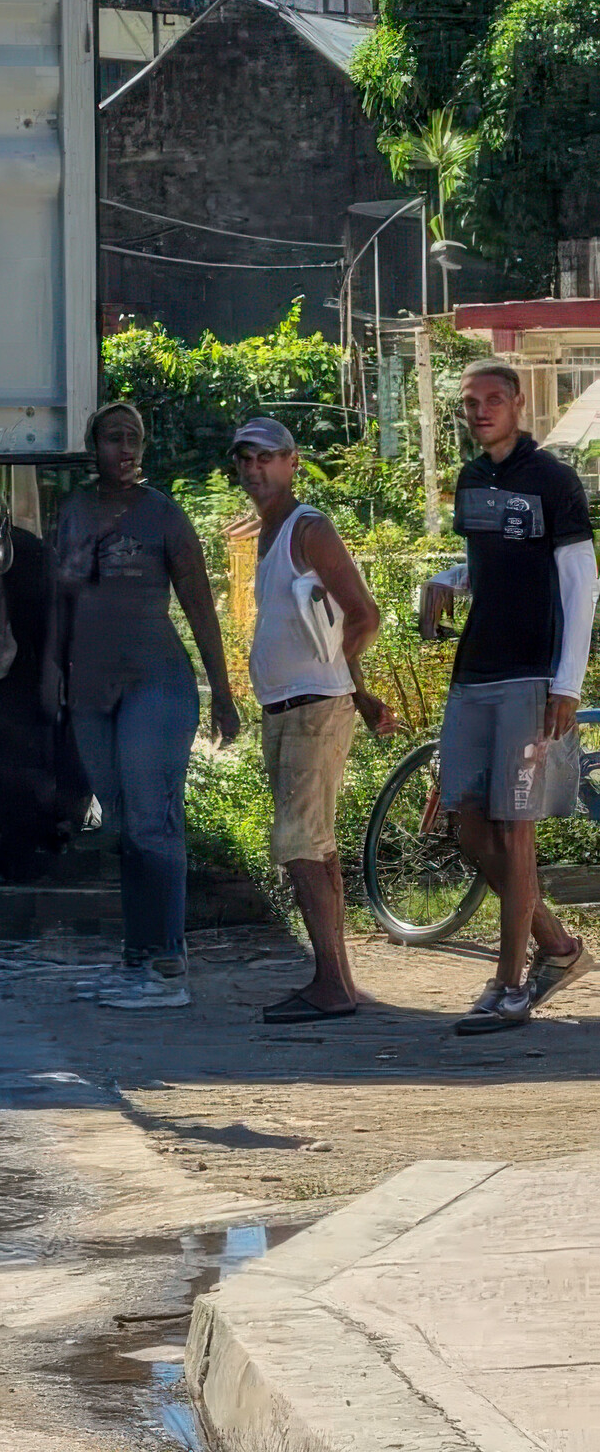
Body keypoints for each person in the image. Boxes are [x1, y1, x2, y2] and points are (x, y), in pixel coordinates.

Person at [418, 361, 597, 1033]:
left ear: (518, 404)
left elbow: (581, 585)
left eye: (493, 398)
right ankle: (556, 947)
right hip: (473, 674)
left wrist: (565, 683)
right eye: (469, 402)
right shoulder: (470, 481)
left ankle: (509, 984)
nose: (480, 410)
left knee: (514, 830)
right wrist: (446, 579)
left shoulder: (551, 480)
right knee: (464, 823)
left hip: (530, 675)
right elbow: (493, 564)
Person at [57, 403, 242, 1011]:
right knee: (121, 827)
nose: (126, 449)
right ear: (94, 447)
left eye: (134, 438)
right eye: (114, 438)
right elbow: (59, 605)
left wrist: (222, 691)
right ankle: (138, 956)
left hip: (155, 686)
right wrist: (46, 677)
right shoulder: (76, 512)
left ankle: (166, 962)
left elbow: (199, 606)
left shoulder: (164, 516)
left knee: (151, 821)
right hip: (89, 690)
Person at [234, 417, 397, 1023]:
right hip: (293, 708)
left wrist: (340, 685)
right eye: (246, 459)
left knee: (301, 846)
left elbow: (363, 616)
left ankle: (330, 983)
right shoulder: (268, 531)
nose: (255, 469)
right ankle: (338, 980)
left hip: (310, 710)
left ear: (293, 461)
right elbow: (324, 629)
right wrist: (359, 692)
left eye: (267, 458)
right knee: (315, 846)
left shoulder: (309, 527)